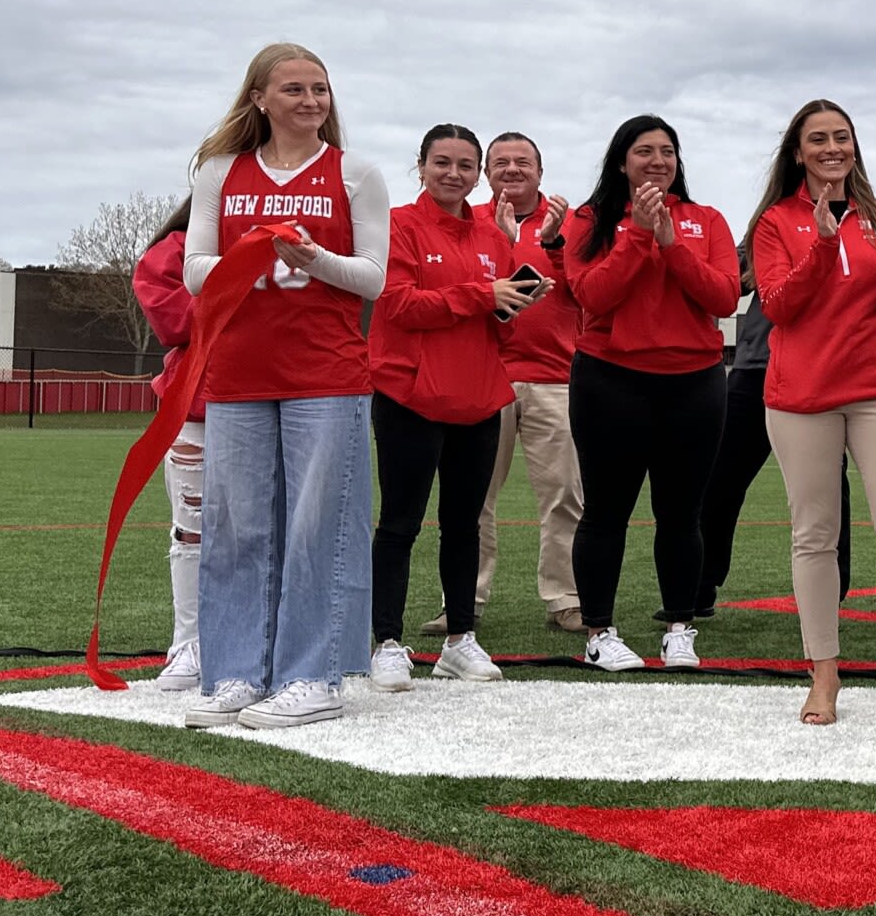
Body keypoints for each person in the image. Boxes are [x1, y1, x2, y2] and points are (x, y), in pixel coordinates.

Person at [180, 43, 388, 729]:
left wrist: (313, 258)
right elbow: (194, 270)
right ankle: (237, 669)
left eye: (320, 90)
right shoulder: (220, 170)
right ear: (260, 99)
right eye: (294, 89)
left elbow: (373, 278)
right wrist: (253, 254)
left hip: (326, 372)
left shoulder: (355, 173)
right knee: (237, 526)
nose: (310, 101)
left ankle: (313, 676)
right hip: (238, 372)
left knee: (316, 529)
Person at [751, 99, 876, 729]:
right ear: (798, 152)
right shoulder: (773, 223)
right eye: (819, 139)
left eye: (842, 137)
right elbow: (780, 306)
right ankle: (825, 674)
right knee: (815, 534)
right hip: (802, 398)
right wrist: (817, 243)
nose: (832, 148)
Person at [562, 115, 739, 673]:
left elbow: (725, 296)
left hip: (694, 383)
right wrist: (638, 234)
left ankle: (680, 628)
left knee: (683, 515)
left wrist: (671, 244)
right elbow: (592, 293)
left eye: (668, 151)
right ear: (621, 161)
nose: (658, 160)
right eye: (644, 151)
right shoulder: (588, 220)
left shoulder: (705, 220)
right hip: (610, 382)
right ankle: (598, 632)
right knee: (605, 513)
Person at [367, 124, 530, 690]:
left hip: (479, 396)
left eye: (465, 165)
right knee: (400, 523)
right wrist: (483, 297)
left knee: (465, 524)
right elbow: (400, 303)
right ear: (421, 167)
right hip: (409, 395)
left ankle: (461, 637)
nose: (453, 174)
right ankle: (386, 640)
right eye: (442, 163)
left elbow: (500, 322)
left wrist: (513, 305)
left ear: (478, 174)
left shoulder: (493, 237)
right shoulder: (397, 227)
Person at [425, 131, 582, 636]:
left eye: (523, 162)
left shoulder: (574, 223)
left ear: (541, 170)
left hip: (556, 377)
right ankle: (463, 601)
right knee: (470, 499)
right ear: (486, 173)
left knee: (564, 494)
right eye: (501, 163)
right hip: (484, 376)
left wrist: (555, 244)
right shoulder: (466, 223)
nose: (512, 170)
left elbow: (590, 293)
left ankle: (566, 598)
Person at [695, 243, 853, 618]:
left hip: (820, 367)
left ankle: (831, 589)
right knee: (719, 477)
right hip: (755, 368)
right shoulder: (769, 222)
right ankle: (699, 582)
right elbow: (728, 282)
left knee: (827, 483)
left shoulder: (854, 223)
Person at [132, 197, 205, 693]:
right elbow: (176, 323)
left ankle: (260, 640)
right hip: (196, 407)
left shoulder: (285, 246)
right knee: (192, 529)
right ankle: (190, 644)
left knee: (267, 531)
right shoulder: (171, 252)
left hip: (274, 402)